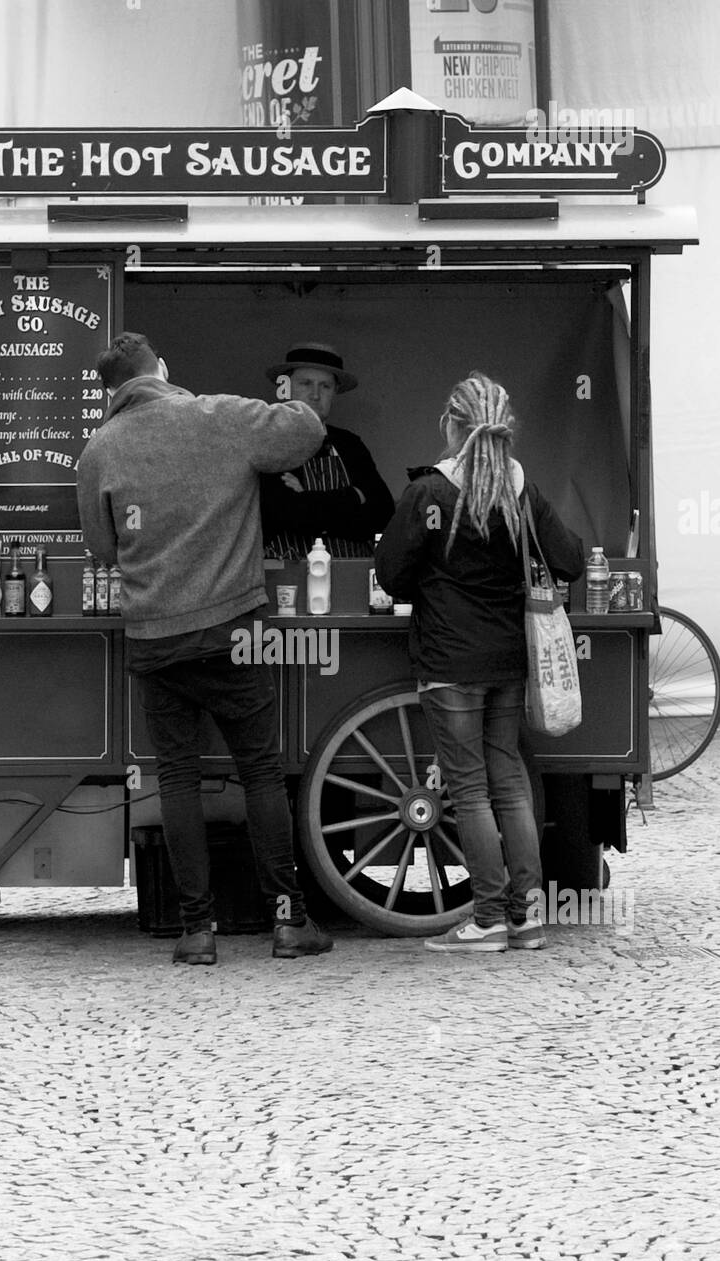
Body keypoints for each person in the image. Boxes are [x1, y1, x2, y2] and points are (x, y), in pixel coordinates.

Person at [76, 331, 334, 966]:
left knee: (181, 781)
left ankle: (196, 932)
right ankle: (287, 923)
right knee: (261, 773)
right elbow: (305, 430)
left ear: (111, 390)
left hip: (153, 638)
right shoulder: (220, 415)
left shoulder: (98, 450)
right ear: (161, 368)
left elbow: (103, 551)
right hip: (233, 632)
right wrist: (285, 396)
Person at [374, 370, 584, 954]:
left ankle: (488, 919)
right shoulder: (521, 490)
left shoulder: (429, 493)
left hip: (448, 662)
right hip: (508, 661)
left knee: (469, 791)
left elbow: (390, 575)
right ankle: (527, 917)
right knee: (511, 783)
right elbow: (569, 560)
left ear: (450, 424)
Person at [260, 342, 394, 559]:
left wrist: (307, 500)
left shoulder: (350, 444)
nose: (315, 395)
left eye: (325, 386)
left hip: (353, 576)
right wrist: (353, 496)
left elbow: (382, 514)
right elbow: (287, 515)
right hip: (289, 581)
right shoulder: (267, 443)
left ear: (335, 392)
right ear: (285, 387)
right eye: (305, 383)